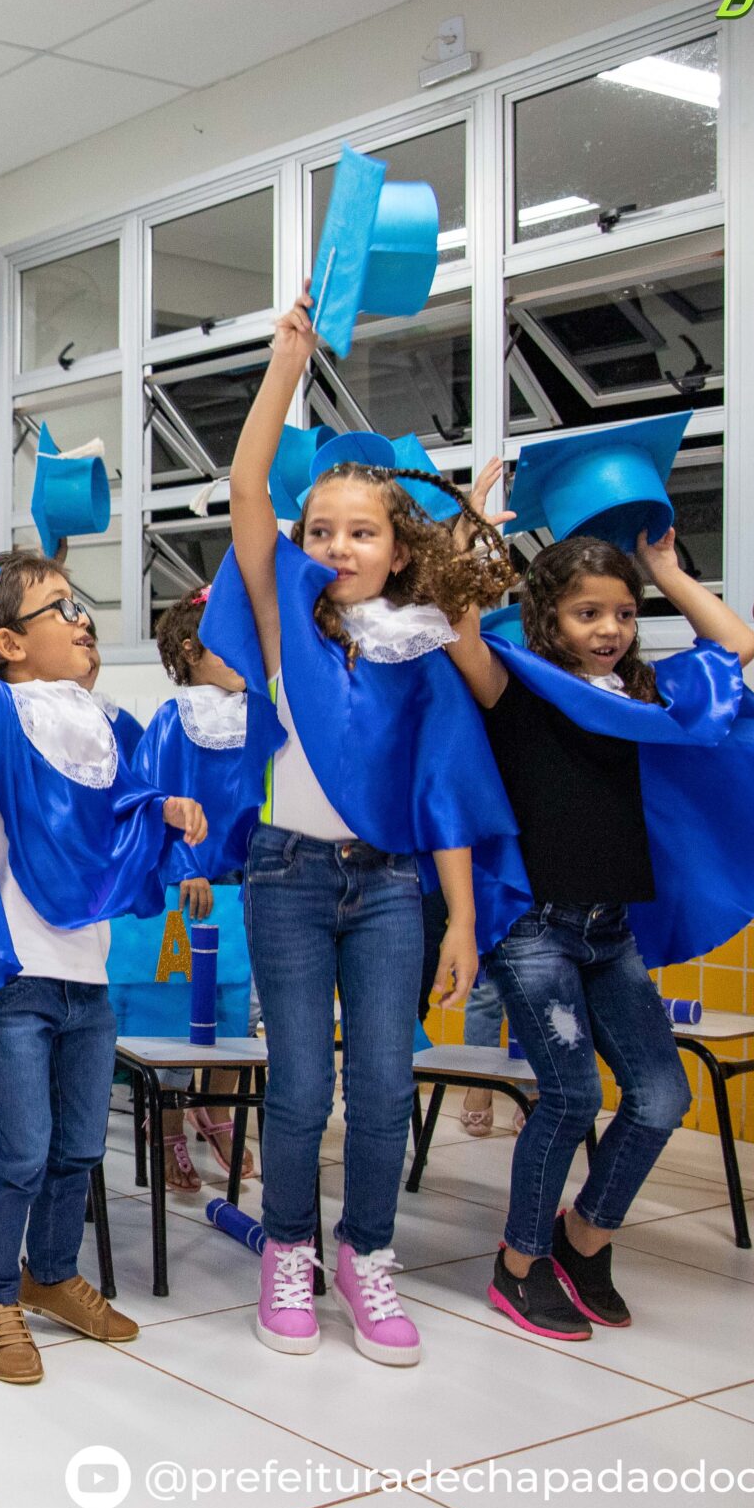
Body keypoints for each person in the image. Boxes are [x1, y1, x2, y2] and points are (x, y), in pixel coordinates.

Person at [204, 292, 523, 1368]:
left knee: (386, 1084)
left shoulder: (421, 649)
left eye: (362, 532)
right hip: (286, 877)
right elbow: (247, 485)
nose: (338, 545)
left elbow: (445, 794)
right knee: (300, 1083)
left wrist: (462, 925)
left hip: (391, 888)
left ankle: (365, 1254)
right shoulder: (282, 617)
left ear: (396, 551)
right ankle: (286, 1248)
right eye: (322, 530)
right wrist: (282, 366)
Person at [442, 519, 754, 1339]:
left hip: (609, 929)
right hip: (534, 928)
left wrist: (666, 569)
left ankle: (584, 1236)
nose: (608, 630)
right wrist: (471, 549)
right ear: (546, 620)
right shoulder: (514, 685)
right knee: (570, 1096)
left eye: (623, 614)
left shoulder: (636, 695)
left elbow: (737, 643)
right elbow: (458, 626)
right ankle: (519, 1262)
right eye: (586, 614)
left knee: (663, 1093)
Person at [0, 553, 205, 1383]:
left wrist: (167, 808)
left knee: (78, 1146)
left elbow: (120, 812)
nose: (83, 620)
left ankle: (50, 1273)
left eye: (80, 605)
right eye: (61, 608)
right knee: (22, 1144)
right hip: (12, 973)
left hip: (84, 976)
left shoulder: (106, 725)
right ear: (8, 642)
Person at [131, 590, 269, 1190]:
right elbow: (156, 796)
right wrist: (186, 864)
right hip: (186, 886)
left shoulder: (259, 714)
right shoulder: (174, 718)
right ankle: (163, 1125)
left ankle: (214, 1109)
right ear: (191, 650)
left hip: (248, 881)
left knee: (235, 1008)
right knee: (175, 1003)